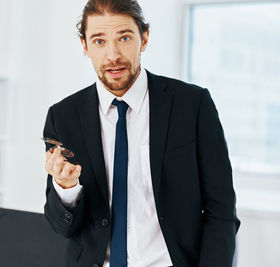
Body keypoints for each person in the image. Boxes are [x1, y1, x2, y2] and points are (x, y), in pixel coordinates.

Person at [43, 0, 240, 266]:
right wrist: (66, 189)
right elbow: (63, 228)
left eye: (124, 37)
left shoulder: (192, 105)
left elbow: (221, 210)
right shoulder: (63, 116)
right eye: (99, 41)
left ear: (144, 38)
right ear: (85, 46)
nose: (113, 55)